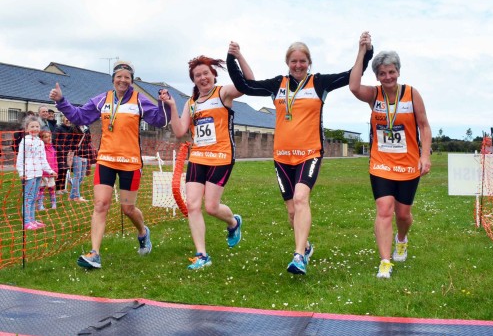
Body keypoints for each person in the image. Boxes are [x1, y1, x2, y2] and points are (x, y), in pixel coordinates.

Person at [227, 34, 374, 275]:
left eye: (302, 61)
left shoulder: (319, 83)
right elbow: (246, 86)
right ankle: (305, 247)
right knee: (292, 211)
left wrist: (364, 51)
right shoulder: (277, 84)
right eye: (293, 61)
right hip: (282, 157)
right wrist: (233, 57)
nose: (298, 65)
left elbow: (352, 76)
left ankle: (298, 257)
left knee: (300, 198)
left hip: (309, 154)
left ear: (309, 62)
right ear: (288, 63)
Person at [49, 60, 171, 269]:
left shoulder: (139, 100)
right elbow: (79, 116)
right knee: (100, 204)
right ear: (113, 79)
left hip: (130, 163)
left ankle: (143, 232)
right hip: (106, 160)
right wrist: (61, 101)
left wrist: (163, 103)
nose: (122, 80)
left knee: (128, 208)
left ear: (131, 81)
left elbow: (160, 120)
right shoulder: (102, 100)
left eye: (127, 77)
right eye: (119, 77)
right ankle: (94, 253)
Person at [159, 48, 254, 270]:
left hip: (221, 157)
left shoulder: (223, 94)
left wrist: (238, 57)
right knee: (193, 205)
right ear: (193, 80)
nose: (202, 78)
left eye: (205, 73)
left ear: (213, 75)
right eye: (197, 75)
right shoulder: (191, 103)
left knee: (211, 207)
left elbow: (248, 83)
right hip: (198, 158)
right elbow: (181, 130)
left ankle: (233, 222)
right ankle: (202, 255)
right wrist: (172, 106)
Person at [349, 32, 431, 279]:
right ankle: (385, 261)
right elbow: (353, 86)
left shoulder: (411, 93)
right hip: (381, 164)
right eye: (382, 73)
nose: (387, 77)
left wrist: (424, 156)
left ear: (398, 71)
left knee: (403, 214)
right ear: (376, 76)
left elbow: (424, 126)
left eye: (391, 72)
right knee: (384, 209)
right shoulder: (374, 95)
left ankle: (402, 239)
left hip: (407, 165)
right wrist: (362, 51)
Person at [16, 116, 56, 230]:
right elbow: (20, 159)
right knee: (28, 198)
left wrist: (50, 171)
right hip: (28, 174)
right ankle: (27, 222)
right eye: (32, 126)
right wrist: (21, 172)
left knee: (34, 197)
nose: (35, 128)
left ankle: (33, 220)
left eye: (37, 126)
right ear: (26, 128)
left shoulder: (40, 142)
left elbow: (43, 159)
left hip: (38, 174)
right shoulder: (25, 141)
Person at [68, 125, 93, 202]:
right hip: (77, 154)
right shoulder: (73, 128)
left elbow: (88, 140)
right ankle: (77, 197)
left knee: (81, 176)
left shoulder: (87, 128)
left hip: (84, 154)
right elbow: (70, 141)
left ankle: (72, 196)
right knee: (77, 176)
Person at [53, 116, 76, 195]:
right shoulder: (58, 129)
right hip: (59, 153)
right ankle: (58, 188)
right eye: (66, 120)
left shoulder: (70, 130)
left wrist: (71, 147)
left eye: (69, 120)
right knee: (60, 170)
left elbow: (70, 140)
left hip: (66, 153)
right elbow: (54, 140)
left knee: (65, 170)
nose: (68, 121)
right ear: (63, 120)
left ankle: (63, 187)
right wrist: (60, 149)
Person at [36, 130, 58, 210]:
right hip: (43, 173)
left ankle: (53, 203)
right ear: (41, 138)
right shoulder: (40, 149)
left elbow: (55, 161)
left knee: (52, 188)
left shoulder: (52, 148)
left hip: (51, 173)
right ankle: (40, 205)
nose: (48, 138)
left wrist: (55, 171)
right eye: (46, 137)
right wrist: (40, 173)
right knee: (41, 189)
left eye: (49, 136)